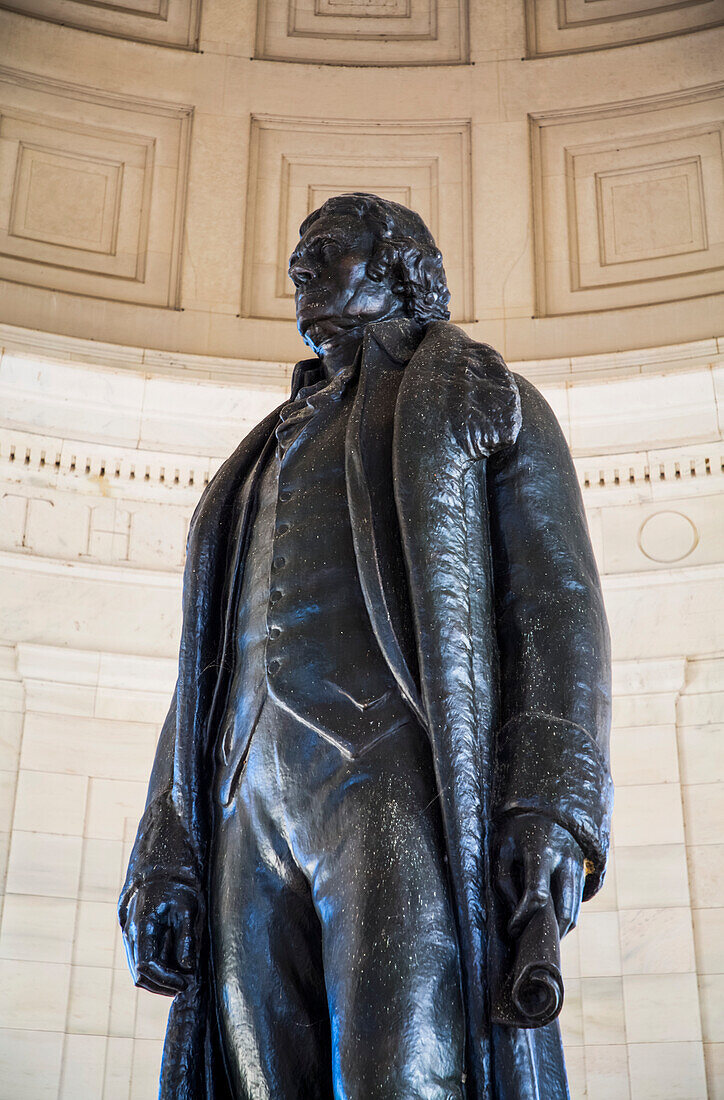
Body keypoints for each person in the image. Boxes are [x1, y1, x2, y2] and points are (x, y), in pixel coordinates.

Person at [119, 193, 612, 1100]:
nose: (298, 270)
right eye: (300, 255)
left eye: (326, 250)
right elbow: (201, 677)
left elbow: (556, 603)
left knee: (406, 1081)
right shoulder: (258, 454)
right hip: (243, 806)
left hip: (394, 788)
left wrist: (553, 805)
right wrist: (164, 849)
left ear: (397, 269)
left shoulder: (478, 395)